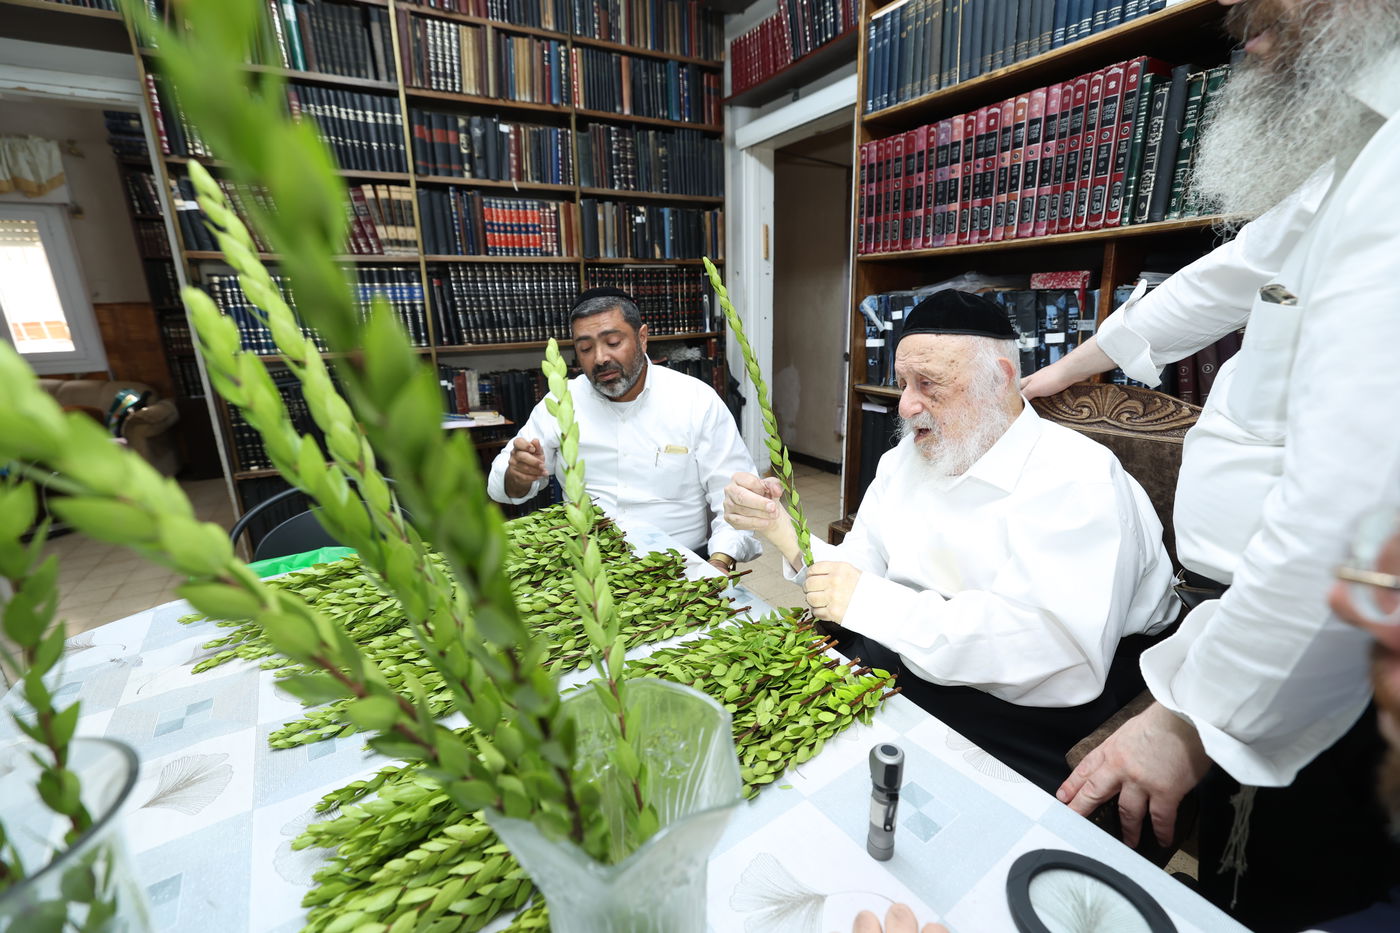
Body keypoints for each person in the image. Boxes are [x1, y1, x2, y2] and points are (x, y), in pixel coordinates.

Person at [1025, 0, 1400, 926]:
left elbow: (1358, 514)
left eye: (1265, 20)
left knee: (1295, 895)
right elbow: (1228, 277)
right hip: (1252, 622)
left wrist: (1197, 717)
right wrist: (1070, 367)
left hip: (1324, 664)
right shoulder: (1359, 153)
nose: (1250, 47)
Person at [724, 290, 1178, 793]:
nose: (905, 404)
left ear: (1000, 379)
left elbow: (1055, 652)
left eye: (929, 383)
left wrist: (875, 607)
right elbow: (854, 578)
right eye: (902, 382)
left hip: (1037, 696)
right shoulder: (903, 461)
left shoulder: (1078, 478)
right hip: (914, 647)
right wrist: (782, 532)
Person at [487, 288, 760, 573]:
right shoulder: (561, 400)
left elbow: (736, 496)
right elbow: (500, 487)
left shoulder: (695, 400)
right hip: (589, 568)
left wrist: (719, 562)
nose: (601, 357)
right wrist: (517, 475)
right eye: (585, 349)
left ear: (642, 338)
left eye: (613, 342)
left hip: (683, 564)